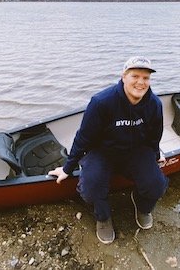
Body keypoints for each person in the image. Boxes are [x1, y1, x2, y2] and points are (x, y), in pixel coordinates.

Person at [48, 56, 168, 244]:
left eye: (146, 78)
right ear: (123, 77)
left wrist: (155, 155)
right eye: (135, 76)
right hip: (102, 152)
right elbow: (83, 138)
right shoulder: (101, 102)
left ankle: (142, 206)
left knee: (157, 185)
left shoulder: (154, 104)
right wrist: (68, 168)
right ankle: (103, 218)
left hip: (136, 151)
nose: (140, 82)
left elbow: (155, 135)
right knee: (90, 189)